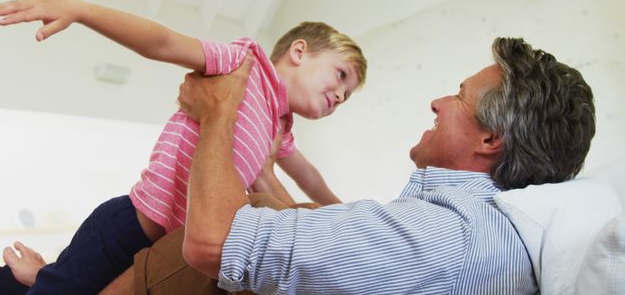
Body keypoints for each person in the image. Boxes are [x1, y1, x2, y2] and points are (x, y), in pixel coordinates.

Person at [96, 36, 593, 294]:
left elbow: (214, 244)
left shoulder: (439, 240)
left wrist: (217, 112)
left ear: (491, 138)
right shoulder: (483, 231)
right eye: (336, 77)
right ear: (298, 52)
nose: (437, 103)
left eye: (459, 97)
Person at [0, 0, 367, 295]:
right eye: (340, 76)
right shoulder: (241, 63)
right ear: (299, 52)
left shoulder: (280, 128)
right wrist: (82, 10)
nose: (339, 96)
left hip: (157, 256)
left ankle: (36, 278)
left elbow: (310, 180)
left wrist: (354, 222)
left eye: (347, 96)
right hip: (128, 229)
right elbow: (162, 41)